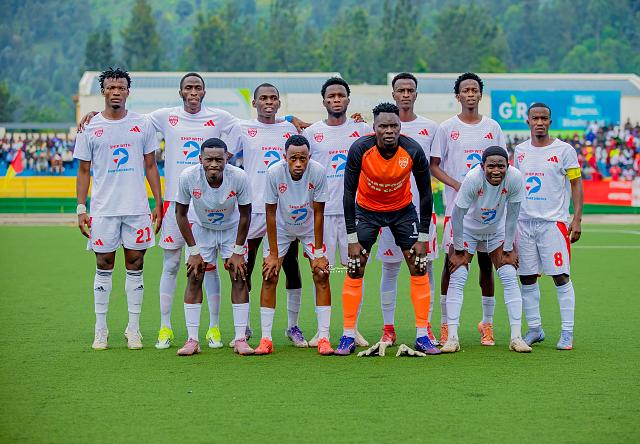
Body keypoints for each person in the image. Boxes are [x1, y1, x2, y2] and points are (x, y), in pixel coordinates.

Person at [78, 73, 241, 351]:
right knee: (171, 264)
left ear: (204, 92)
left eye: (197, 88)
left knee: (209, 265)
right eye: (188, 88)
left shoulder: (219, 117)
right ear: (180, 92)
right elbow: (120, 119)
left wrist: (230, 154)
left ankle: (213, 328)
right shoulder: (163, 117)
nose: (193, 92)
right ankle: (165, 327)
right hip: (175, 204)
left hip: (206, 204)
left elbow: (247, 127)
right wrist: (93, 113)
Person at [336, 102, 439, 356]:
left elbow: (426, 195)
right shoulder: (360, 149)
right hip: (366, 211)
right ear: (374, 128)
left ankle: (422, 335)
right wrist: (352, 238)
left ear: (400, 127)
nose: (389, 131)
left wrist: (423, 236)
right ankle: (348, 335)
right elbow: (348, 193)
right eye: (383, 126)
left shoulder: (413, 150)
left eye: (394, 126)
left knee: (418, 265)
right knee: (355, 266)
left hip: (402, 211)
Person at [74, 67, 163, 350]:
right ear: (103, 91)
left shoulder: (143, 124)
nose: (116, 92)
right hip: (103, 210)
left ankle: (133, 329)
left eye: (121, 88)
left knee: (136, 264)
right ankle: (100, 329)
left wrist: (158, 202)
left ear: (128, 91)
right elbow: (83, 171)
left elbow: (151, 166)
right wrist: (81, 208)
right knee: (103, 264)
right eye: (111, 88)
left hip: (136, 208)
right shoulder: (89, 127)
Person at [226, 83, 305, 348]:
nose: (268, 102)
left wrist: (292, 119)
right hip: (251, 209)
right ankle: (245, 327)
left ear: (279, 103)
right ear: (254, 103)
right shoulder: (242, 128)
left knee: (290, 265)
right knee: (245, 268)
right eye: (263, 98)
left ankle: (293, 326)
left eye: (273, 98)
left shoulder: (288, 128)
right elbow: (223, 157)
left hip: (283, 210)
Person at [430, 72, 506, 346]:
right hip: (458, 209)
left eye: (475, 90)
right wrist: (457, 184)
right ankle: (445, 325)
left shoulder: (493, 127)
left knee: (486, 265)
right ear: (458, 96)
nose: (470, 94)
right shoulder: (446, 128)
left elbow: (504, 166)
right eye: (466, 90)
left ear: (480, 94)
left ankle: (487, 324)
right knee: (452, 263)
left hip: (488, 208)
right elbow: (434, 165)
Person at [440, 146, 531, 353]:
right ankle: (452, 337)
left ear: (508, 166)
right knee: (458, 275)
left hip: (496, 231)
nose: (496, 170)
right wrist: (459, 249)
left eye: (501, 166)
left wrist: (508, 247)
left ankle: (516, 337)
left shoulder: (515, 178)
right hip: (468, 230)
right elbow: (457, 215)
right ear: (482, 167)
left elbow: (513, 216)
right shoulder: (473, 179)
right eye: (491, 166)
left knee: (509, 274)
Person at [302, 76, 371, 348]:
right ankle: (322, 332)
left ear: (348, 99)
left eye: (340, 95)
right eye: (331, 96)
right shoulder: (312, 133)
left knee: (355, 269)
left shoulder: (362, 129)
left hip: (356, 212)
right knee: (321, 272)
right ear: (324, 101)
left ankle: (352, 328)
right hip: (322, 214)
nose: (336, 100)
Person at [375, 72, 440, 346]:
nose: (405, 94)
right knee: (390, 269)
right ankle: (388, 328)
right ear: (393, 94)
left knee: (425, 269)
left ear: (416, 94)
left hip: (420, 212)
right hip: (387, 211)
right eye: (400, 90)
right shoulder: (379, 127)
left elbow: (434, 167)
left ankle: (425, 327)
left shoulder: (431, 128)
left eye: (409, 90)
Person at [173, 138, 254, 356]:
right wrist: (193, 251)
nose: (214, 164)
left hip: (231, 228)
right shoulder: (188, 177)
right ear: (200, 159)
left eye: (219, 159)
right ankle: (192, 340)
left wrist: (238, 251)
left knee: (239, 276)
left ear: (227, 158)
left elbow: (246, 214)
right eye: (209, 159)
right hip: (202, 229)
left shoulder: (239, 177)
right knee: (194, 277)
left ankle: (240, 339)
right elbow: (180, 214)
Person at [255, 135, 334, 355]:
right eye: (293, 158)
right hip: (281, 227)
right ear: (285, 157)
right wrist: (272, 254)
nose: (298, 164)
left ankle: (324, 338)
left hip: (309, 227)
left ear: (309, 157)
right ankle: (266, 339)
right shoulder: (274, 172)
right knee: (269, 275)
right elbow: (270, 213)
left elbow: (319, 213)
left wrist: (319, 253)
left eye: (303, 158)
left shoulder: (318, 171)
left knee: (321, 274)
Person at [514, 103, 583, 350]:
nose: (540, 122)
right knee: (527, 277)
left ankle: (567, 332)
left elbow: (576, 183)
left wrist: (577, 218)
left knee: (561, 276)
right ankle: (535, 329)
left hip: (553, 224)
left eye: (544, 118)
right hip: (524, 223)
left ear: (550, 122)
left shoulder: (564, 150)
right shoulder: (520, 151)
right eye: (535, 118)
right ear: (528, 122)